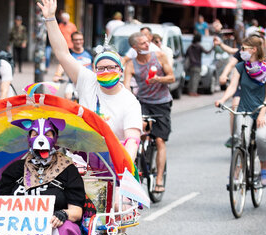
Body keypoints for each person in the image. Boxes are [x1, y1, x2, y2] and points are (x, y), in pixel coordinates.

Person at [41, 0, 142, 160]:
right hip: (81, 157)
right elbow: (63, 54)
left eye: (111, 67)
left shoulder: (130, 101)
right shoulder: (87, 81)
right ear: (94, 70)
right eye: (101, 68)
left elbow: (132, 140)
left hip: (114, 161)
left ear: (120, 71)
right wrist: (51, 19)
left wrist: (126, 169)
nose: (106, 71)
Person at [215, 35, 266, 187]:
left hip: (262, 110)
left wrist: (261, 114)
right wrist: (223, 99)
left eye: (243, 49)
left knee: (261, 138)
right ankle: (237, 172)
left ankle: (264, 170)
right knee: (241, 140)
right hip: (244, 109)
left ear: (254, 50)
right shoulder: (241, 67)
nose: (240, 51)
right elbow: (233, 87)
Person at [124, 31, 175, 193]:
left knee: (160, 140)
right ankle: (142, 160)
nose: (147, 45)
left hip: (162, 103)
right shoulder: (131, 64)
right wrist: (128, 101)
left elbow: (172, 77)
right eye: (143, 43)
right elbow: (126, 87)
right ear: (134, 47)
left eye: (148, 42)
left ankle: (159, 179)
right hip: (143, 103)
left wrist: (159, 79)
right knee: (140, 135)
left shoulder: (159, 56)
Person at [52, 31, 92, 100]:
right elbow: (62, 65)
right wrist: (57, 75)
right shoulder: (69, 54)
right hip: (73, 82)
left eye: (80, 39)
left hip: (88, 83)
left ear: (83, 40)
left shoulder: (89, 52)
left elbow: (95, 67)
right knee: (68, 97)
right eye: (76, 40)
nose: (78, 42)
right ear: (72, 41)